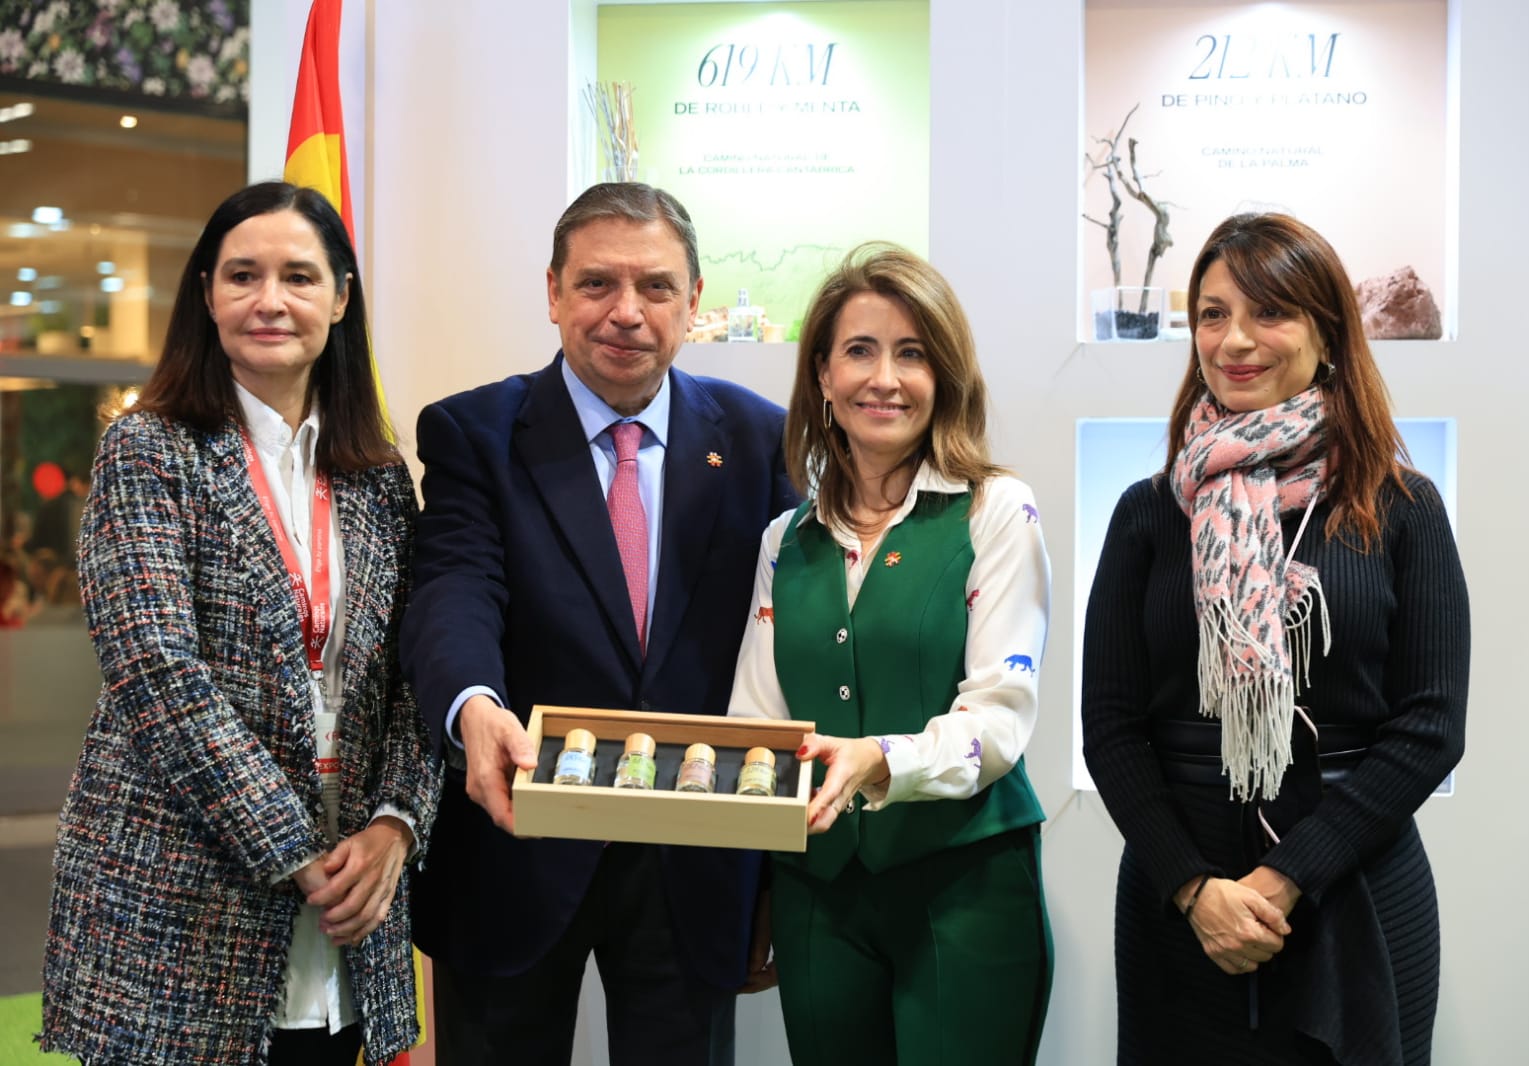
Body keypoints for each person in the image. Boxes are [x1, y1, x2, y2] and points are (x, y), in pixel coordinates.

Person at [39, 181, 440, 1066]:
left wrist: (396, 823)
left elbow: (417, 673)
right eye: (242, 275)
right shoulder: (148, 450)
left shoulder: (377, 477)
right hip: (180, 896)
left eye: (298, 276)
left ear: (340, 298)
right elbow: (156, 673)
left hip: (354, 895)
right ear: (208, 296)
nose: (270, 300)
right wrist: (294, 849)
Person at [400, 181, 794, 1065]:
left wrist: (774, 870)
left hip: (694, 855)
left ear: (692, 301)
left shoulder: (761, 440)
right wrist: (472, 705)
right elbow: (455, 589)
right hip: (513, 842)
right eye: (595, 284)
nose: (626, 312)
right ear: (552, 292)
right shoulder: (474, 432)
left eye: (655, 286)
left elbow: (780, 643)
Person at [1081, 213, 1469, 1065]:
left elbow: (1430, 726)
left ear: (1326, 332)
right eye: (1212, 314)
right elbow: (1109, 727)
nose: (1234, 340)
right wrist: (1194, 890)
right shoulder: (1148, 513)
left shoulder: (1401, 508)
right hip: (1179, 907)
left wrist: (1285, 876)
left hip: (1357, 890)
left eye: (1269, 312)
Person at [727, 243, 1053, 1065]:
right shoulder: (784, 540)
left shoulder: (995, 511)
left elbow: (998, 718)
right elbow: (756, 721)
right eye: (859, 351)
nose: (885, 378)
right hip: (818, 897)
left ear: (944, 375)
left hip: (966, 890)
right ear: (822, 376)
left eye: (911, 353)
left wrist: (879, 759)